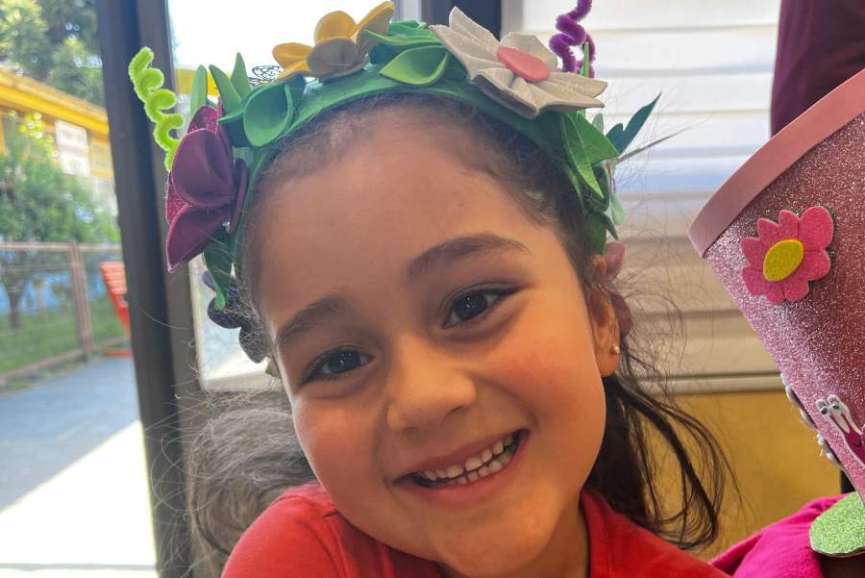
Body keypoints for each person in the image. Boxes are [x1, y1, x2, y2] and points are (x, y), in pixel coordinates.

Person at [131, 2, 732, 576]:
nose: (423, 398)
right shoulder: (300, 560)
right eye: (338, 361)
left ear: (600, 315)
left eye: (472, 305)